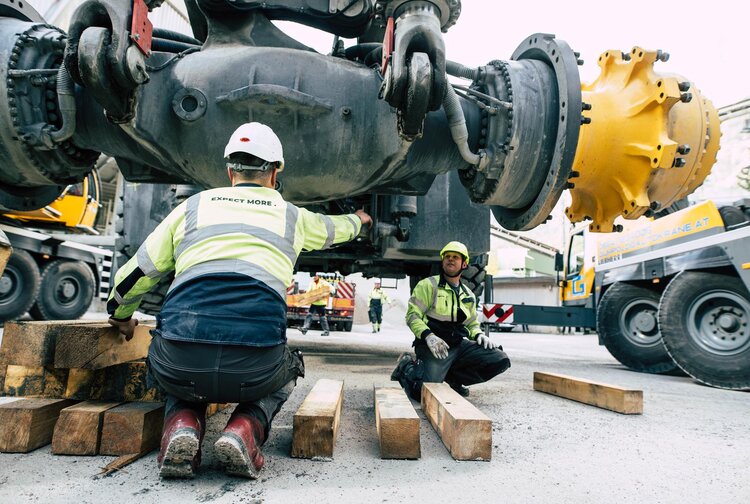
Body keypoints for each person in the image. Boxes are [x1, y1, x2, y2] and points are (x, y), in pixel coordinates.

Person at [107, 122, 371, 479]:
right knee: (290, 369)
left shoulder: (193, 207)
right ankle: (244, 429)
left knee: (170, 367)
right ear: (275, 172)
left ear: (230, 170)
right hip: (255, 367)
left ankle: (182, 424)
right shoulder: (292, 217)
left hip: (181, 362)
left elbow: (136, 275)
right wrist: (360, 219)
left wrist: (120, 315)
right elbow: (335, 230)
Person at [391, 241, 510, 399]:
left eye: (455, 257)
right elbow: (412, 316)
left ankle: (453, 379)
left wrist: (479, 335)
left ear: (464, 264)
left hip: (457, 345)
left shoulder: (468, 294)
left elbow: (471, 324)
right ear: (442, 261)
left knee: (499, 359)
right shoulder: (428, 286)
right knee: (421, 394)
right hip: (433, 346)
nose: (450, 259)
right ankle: (406, 367)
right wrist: (429, 336)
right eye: (447, 256)